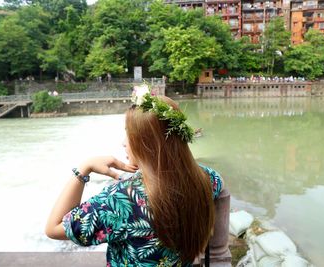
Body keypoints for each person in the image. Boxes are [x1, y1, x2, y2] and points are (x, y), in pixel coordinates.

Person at [46, 85, 231, 266]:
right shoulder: (207, 178)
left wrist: (83, 170)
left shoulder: (120, 200)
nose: (123, 143)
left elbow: (53, 229)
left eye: (128, 135)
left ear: (145, 142)